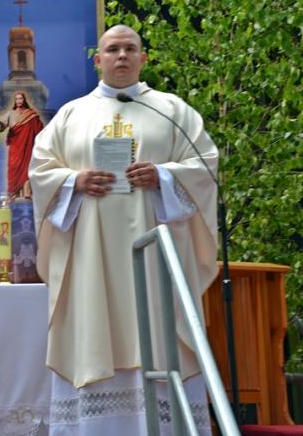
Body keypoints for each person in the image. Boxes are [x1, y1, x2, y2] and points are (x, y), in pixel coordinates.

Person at [29, 25, 218, 434]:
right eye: (112, 49)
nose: (121, 56)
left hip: (156, 254)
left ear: (143, 58)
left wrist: (163, 176)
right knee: (93, 328)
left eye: (130, 49)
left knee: (159, 331)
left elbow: (205, 166)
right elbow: (40, 172)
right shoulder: (71, 115)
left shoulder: (172, 110)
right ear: (98, 60)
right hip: (90, 255)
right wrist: (74, 181)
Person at [0, 90, 44, 200]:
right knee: (14, 168)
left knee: (27, 167)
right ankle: (13, 194)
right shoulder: (10, 113)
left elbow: (39, 128)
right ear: (14, 101)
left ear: (24, 100)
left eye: (20, 98)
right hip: (16, 146)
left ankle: (27, 192)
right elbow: (1, 126)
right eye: (16, 99)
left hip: (28, 146)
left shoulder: (31, 114)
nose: (19, 101)